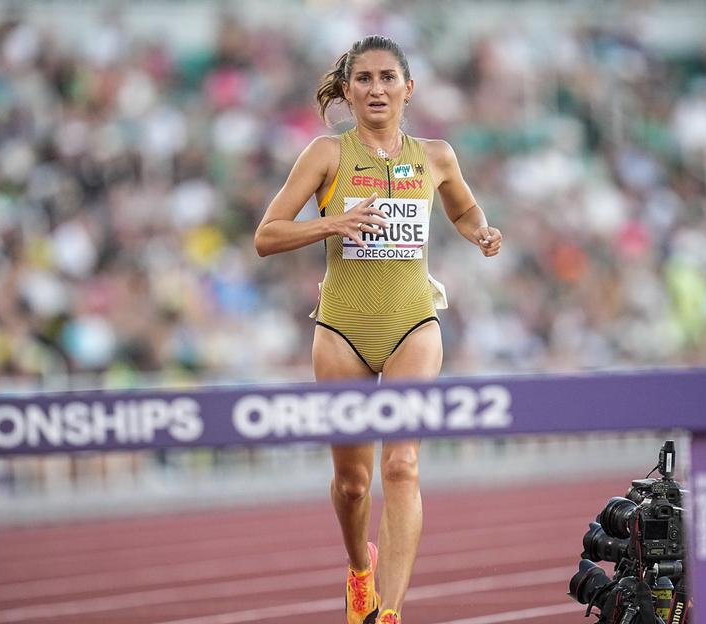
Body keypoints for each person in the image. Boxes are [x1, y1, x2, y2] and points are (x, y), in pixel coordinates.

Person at [254, 35, 501, 624]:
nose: (376, 89)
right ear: (346, 90)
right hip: (341, 327)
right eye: (363, 79)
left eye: (388, 77)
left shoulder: (436, 156)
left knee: (403, 466)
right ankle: (359, 572)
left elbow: (464, 209)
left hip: (414, 319)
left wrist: (480, 232)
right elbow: (267, 236)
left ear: (408, 89)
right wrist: (333, 222)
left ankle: (389, 613)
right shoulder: (325, 155)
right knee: (354, 484)